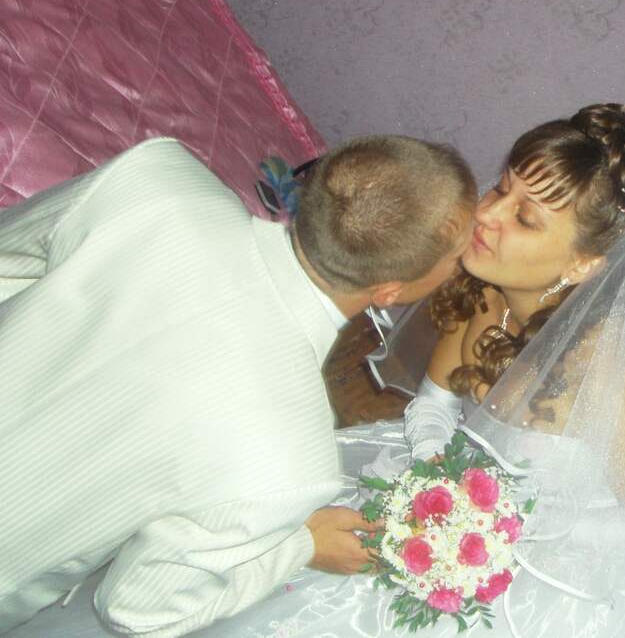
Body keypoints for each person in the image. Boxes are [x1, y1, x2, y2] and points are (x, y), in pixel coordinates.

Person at [10, 102, 625, 638]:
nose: (488, 215)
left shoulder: (620, 376)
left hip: (537, 581)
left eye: (525, 218)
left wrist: (492, 530)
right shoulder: (486, 291)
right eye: (500, 188)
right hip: (439, 508)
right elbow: (433, 406)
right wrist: (434, 477)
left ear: (587, 263)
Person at [0, 134, 477, 636]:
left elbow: (10, 257)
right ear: (390, 292)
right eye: (455, 257)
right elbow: (137, 609)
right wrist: (300, 548)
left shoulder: (155, 179)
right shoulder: (291, 461)